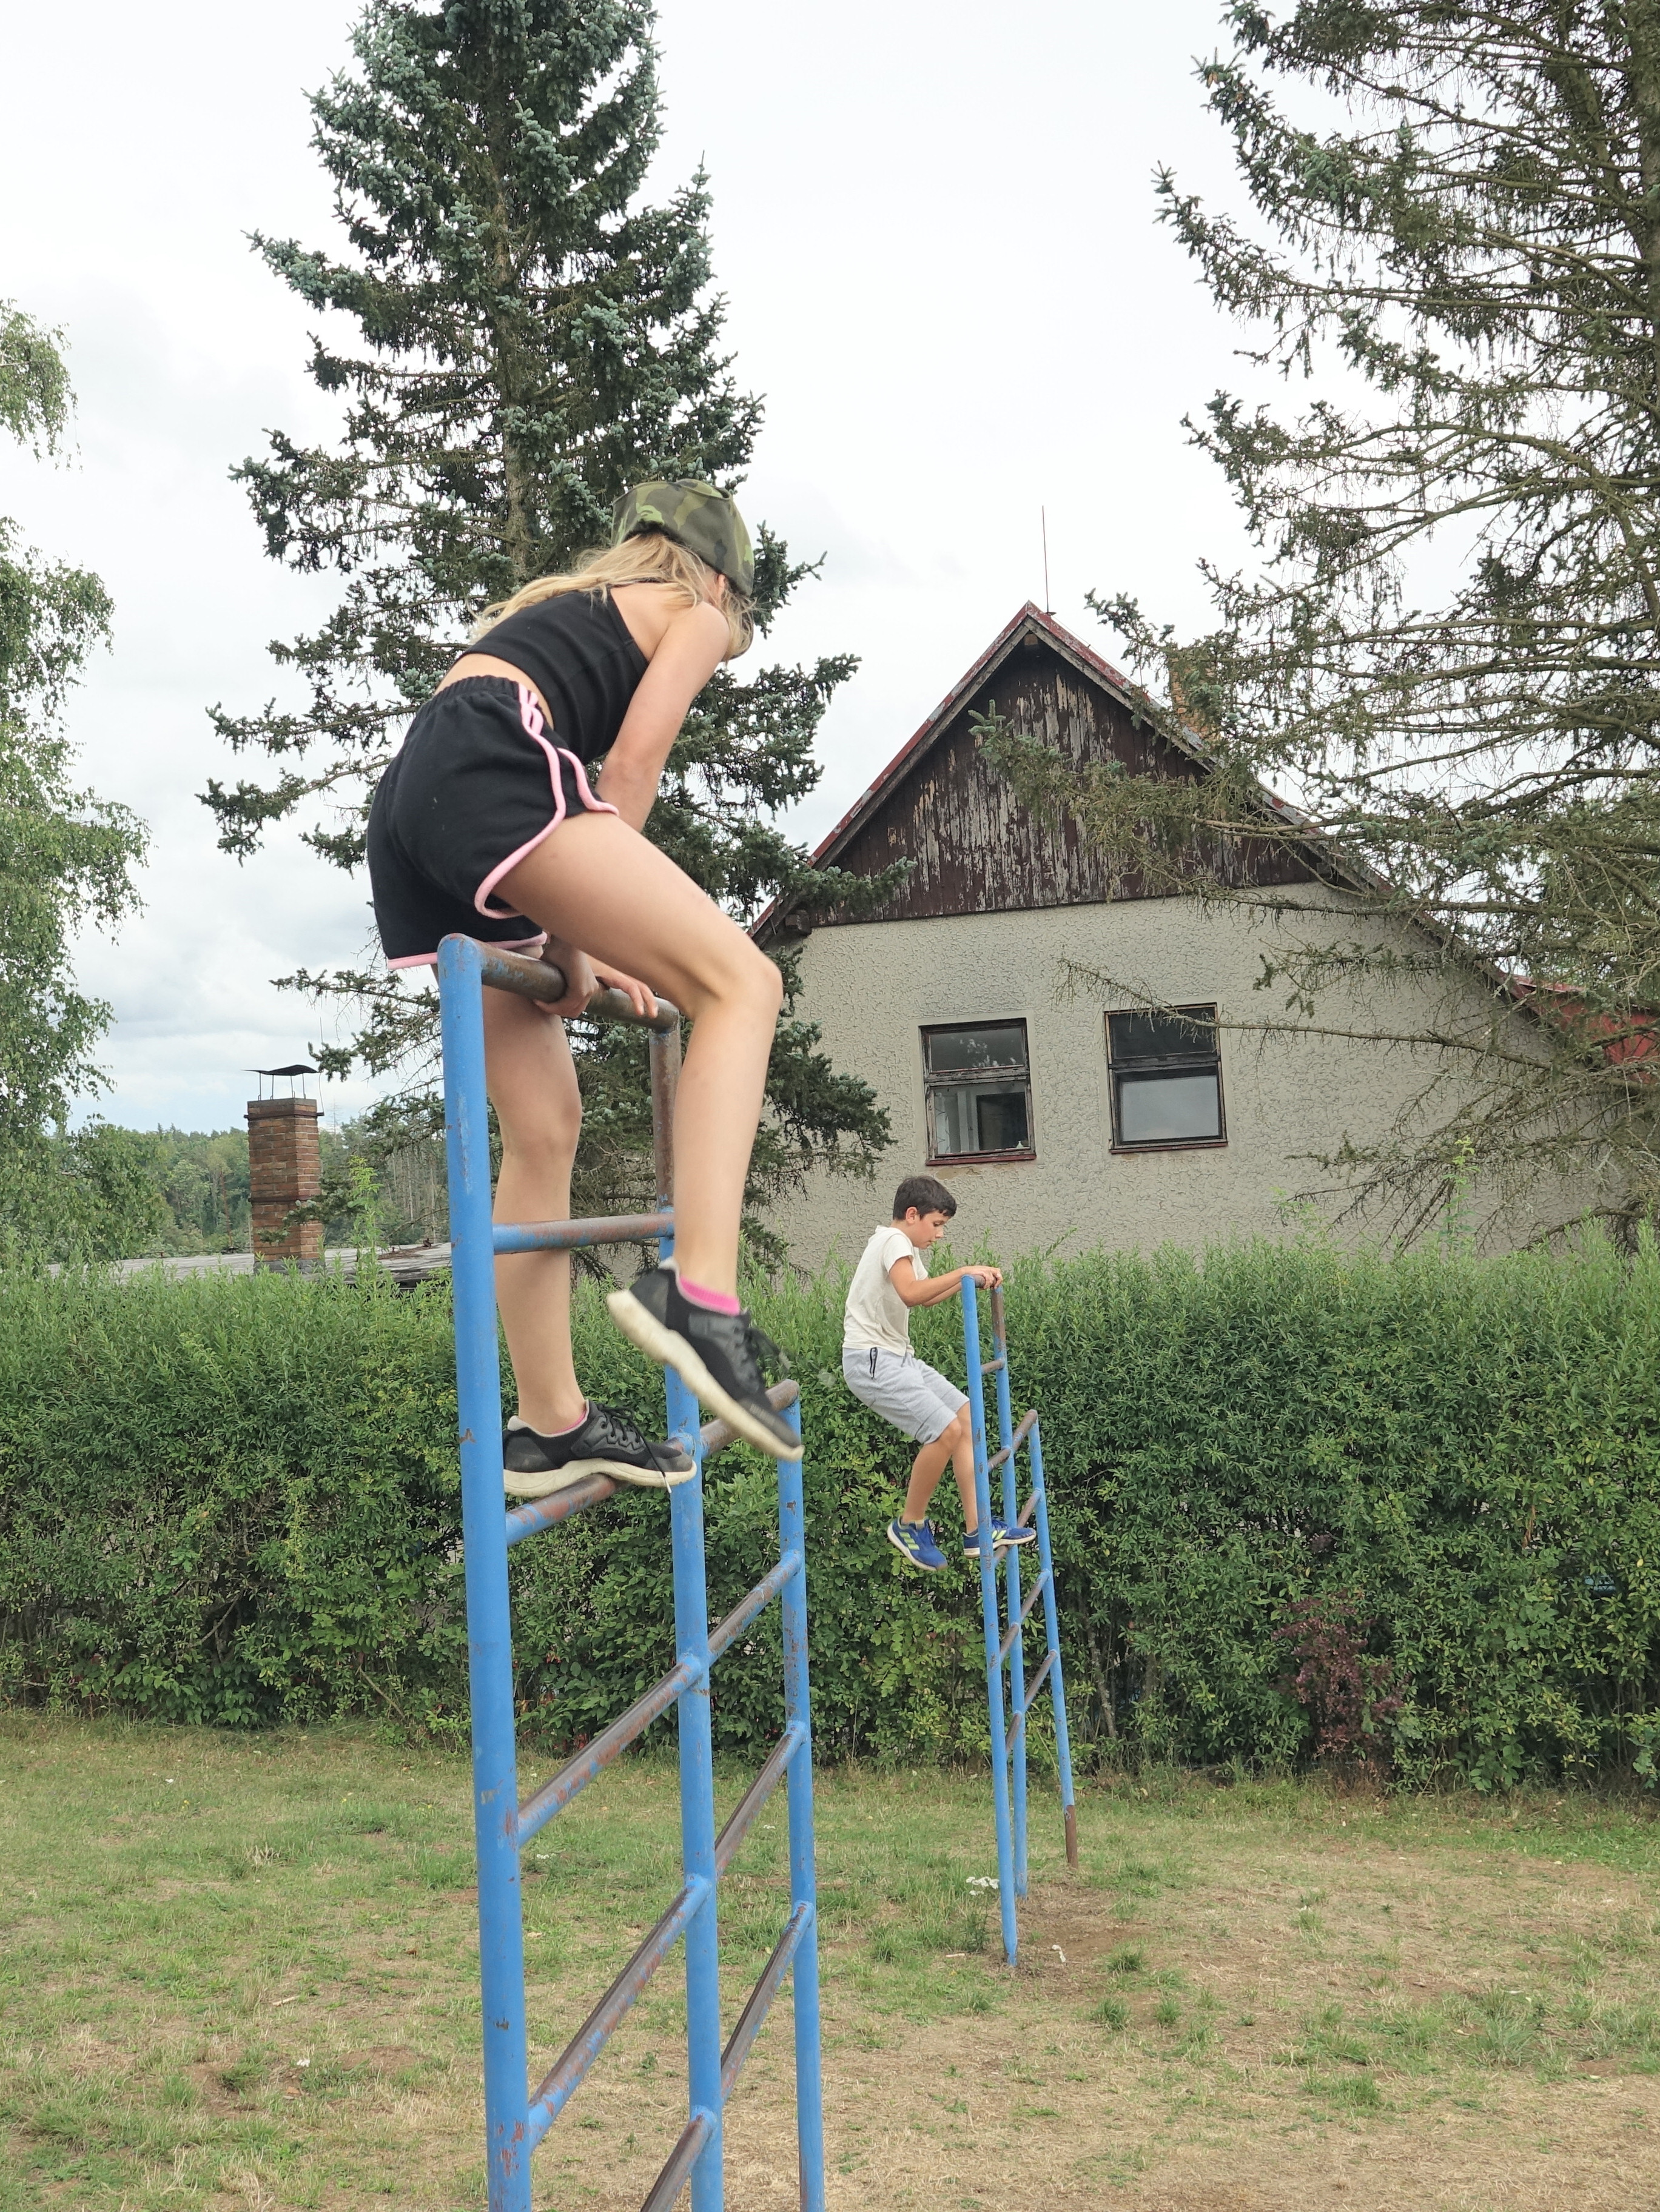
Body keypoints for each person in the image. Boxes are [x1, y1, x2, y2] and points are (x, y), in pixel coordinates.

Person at [366, 480, 797, 1498]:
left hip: (415, 800)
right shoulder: (695, 613)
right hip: (492, 760)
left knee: (546, 1126)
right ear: (718, 579)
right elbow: (630, 768)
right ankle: (702, 1295)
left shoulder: (568, 609)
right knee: (743, 984)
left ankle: (548, 1423)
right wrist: (579, 941)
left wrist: (580, 948)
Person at [841, 1175, 1038, 1572]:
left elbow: (924, 1296)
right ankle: (909, 1523)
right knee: (945, 1430)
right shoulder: (893, 1240)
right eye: (937, 1224)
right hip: (872, 1360)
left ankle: (977, 1528)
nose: (940, 1234)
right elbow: (912, 1293)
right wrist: (965, 1269)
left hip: (896, 1357)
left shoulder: (902, 1247)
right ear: (912, 1215)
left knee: (965, 1416)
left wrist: (968, 1281)